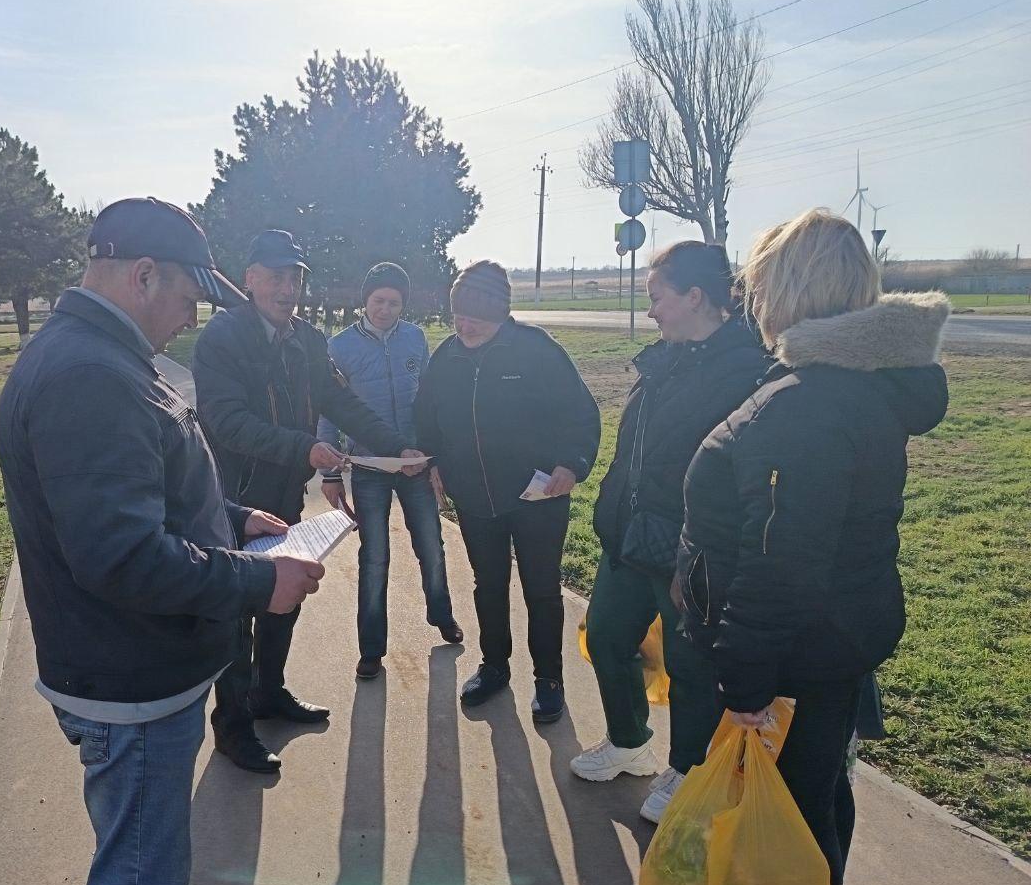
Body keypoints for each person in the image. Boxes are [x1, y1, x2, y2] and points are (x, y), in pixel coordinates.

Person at [0, 198, 327, 885]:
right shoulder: (90, 377)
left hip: (137, 669)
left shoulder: (107, 358)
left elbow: (146, 491)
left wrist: (235, 520)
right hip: (132, 683)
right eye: (187, 297)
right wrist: (258, 580)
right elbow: (123, 557)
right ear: (144, 275)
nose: (192, 317)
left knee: (143, 866)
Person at [675, 209, 949, 885]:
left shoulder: (808, 407)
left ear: (789, 291)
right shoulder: (850, 389)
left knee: (789, 829)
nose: (753, 305)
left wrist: (744, 689)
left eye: (760, 288)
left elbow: (780, 564)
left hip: (791, 666)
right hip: (830, 648)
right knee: (820, 804)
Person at [192, 229, 425, 772]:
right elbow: (224, 422)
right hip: (232, 496)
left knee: (284, 595)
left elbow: (340, 401)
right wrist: (306, 447)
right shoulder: (223, 337)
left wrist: (396, 446)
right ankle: (232, 726)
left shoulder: (307, 340)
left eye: (294, 277)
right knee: (235, 612)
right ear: (249, 279)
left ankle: (269, 693)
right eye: (275, 276)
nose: (286, 287)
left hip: (281, 494)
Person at [572, 242, 771, 826]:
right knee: (607, 635)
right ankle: (630, 742)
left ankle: (687, 769)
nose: (652, 310)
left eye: (657, 297)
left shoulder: (746, 370)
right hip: (631, 536)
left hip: (693, 549)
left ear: (695, 297)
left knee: (690, 666)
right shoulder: (662, 360)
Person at [414, 260, 600, 722]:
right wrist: (433, 461)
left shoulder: (536, 350)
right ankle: (495, 667)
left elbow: (580, 413)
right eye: (459, 313)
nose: (465, 324)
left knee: (541, 590)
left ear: (501, 312)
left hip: (537, 497)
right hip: (475, 499)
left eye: (476, 315)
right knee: (488, 586)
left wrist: (571, 465)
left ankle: (548, 679)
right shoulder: (447, 357)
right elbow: (427, 419)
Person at [317, 262, 463, 680]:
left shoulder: (415, 339)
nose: (385, 309)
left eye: (394, 302)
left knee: (431, 547)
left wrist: (435, 460)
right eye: (378, 300)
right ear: (364, 301)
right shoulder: (339, 347)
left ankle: (442, 615)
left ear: (403, 304)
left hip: (414, 464)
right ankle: (371, 649)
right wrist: (330, 473)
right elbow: (328, 411)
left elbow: (432, 401)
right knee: (375, 557)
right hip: (369, 467)